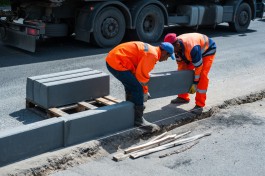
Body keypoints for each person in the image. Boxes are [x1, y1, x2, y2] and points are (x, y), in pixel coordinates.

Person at [106, 41, 175, 131]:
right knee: (137, 88)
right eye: (168, 56)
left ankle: (130, 113)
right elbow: (142, 77)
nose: (166, 59)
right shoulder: (152, 55)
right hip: (117, 62)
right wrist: (144, 92)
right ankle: (138, 120)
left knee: (131, 86)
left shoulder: (152, 51)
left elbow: (138, 71)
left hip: (114, 59)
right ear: (165, 52)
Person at [164, 33, 216, 115]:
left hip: (207, 50)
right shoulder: (176, 48)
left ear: (177, 45)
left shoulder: (192, 48)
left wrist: (195, 82)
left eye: (173, 50)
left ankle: (199, 105)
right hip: (191, 52)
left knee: (202, 76)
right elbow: (181, 65)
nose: (173, 52)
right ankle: (183, 97)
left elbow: (198, 67)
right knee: (183, 72)